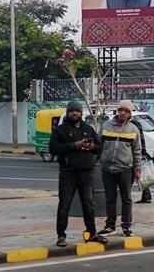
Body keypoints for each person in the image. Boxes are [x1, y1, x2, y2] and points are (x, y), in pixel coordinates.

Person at [48, 101, 108, 247]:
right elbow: (53, 148)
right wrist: (73, 145)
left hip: (87, 173)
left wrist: (92, 146)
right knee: (64, 205)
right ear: (68, 112)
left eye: (77, 111)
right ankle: (61, 235)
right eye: (72, 111)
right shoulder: (60, 130)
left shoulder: (88, 129)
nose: (74, 113)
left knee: (89, 204)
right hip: (68, 173)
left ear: (81, 113)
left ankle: (92, 232)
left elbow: (99, 147)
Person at [98, 100, 142, 237]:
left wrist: (138, 169)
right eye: (121, 109)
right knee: (110, 198)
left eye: (126, 111)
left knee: (126, 199)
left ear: (130, 114)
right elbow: (99, 145)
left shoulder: (133, 129)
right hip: (107, 169)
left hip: (125, 169)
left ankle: (126, 226)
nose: (123, 112)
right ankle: (110, 225)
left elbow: (137, 151)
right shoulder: (106, 125)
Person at [132, 117, 152, 204]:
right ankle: (146, 195)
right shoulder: (136, 123)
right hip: (135, 152)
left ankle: (146, 195)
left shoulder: (135, 124)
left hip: (135, 152)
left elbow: (141, 139)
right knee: (140, 174)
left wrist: (143, 153)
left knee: (138, 174)